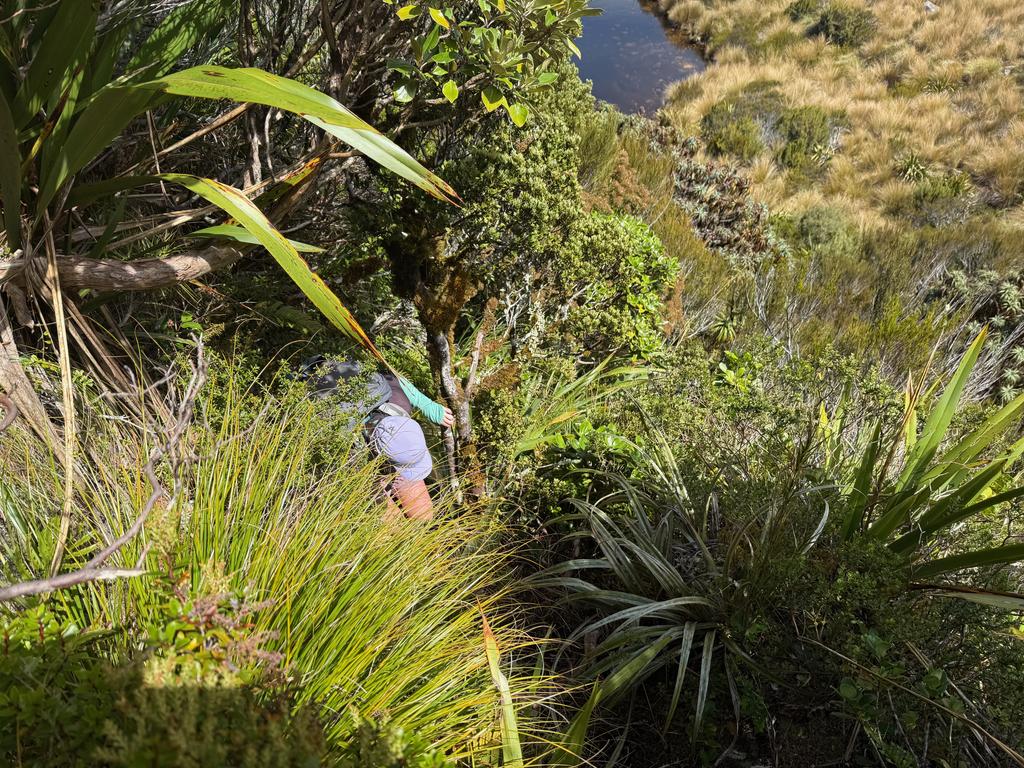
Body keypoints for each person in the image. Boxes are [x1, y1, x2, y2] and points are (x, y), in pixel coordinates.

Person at [301, 356, 453, 520]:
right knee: (385, 518)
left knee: (423, 516)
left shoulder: (400, 400)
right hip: (358, 451)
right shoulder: (342, 434)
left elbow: (397, 381)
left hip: (375, 437)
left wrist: (429, 405)